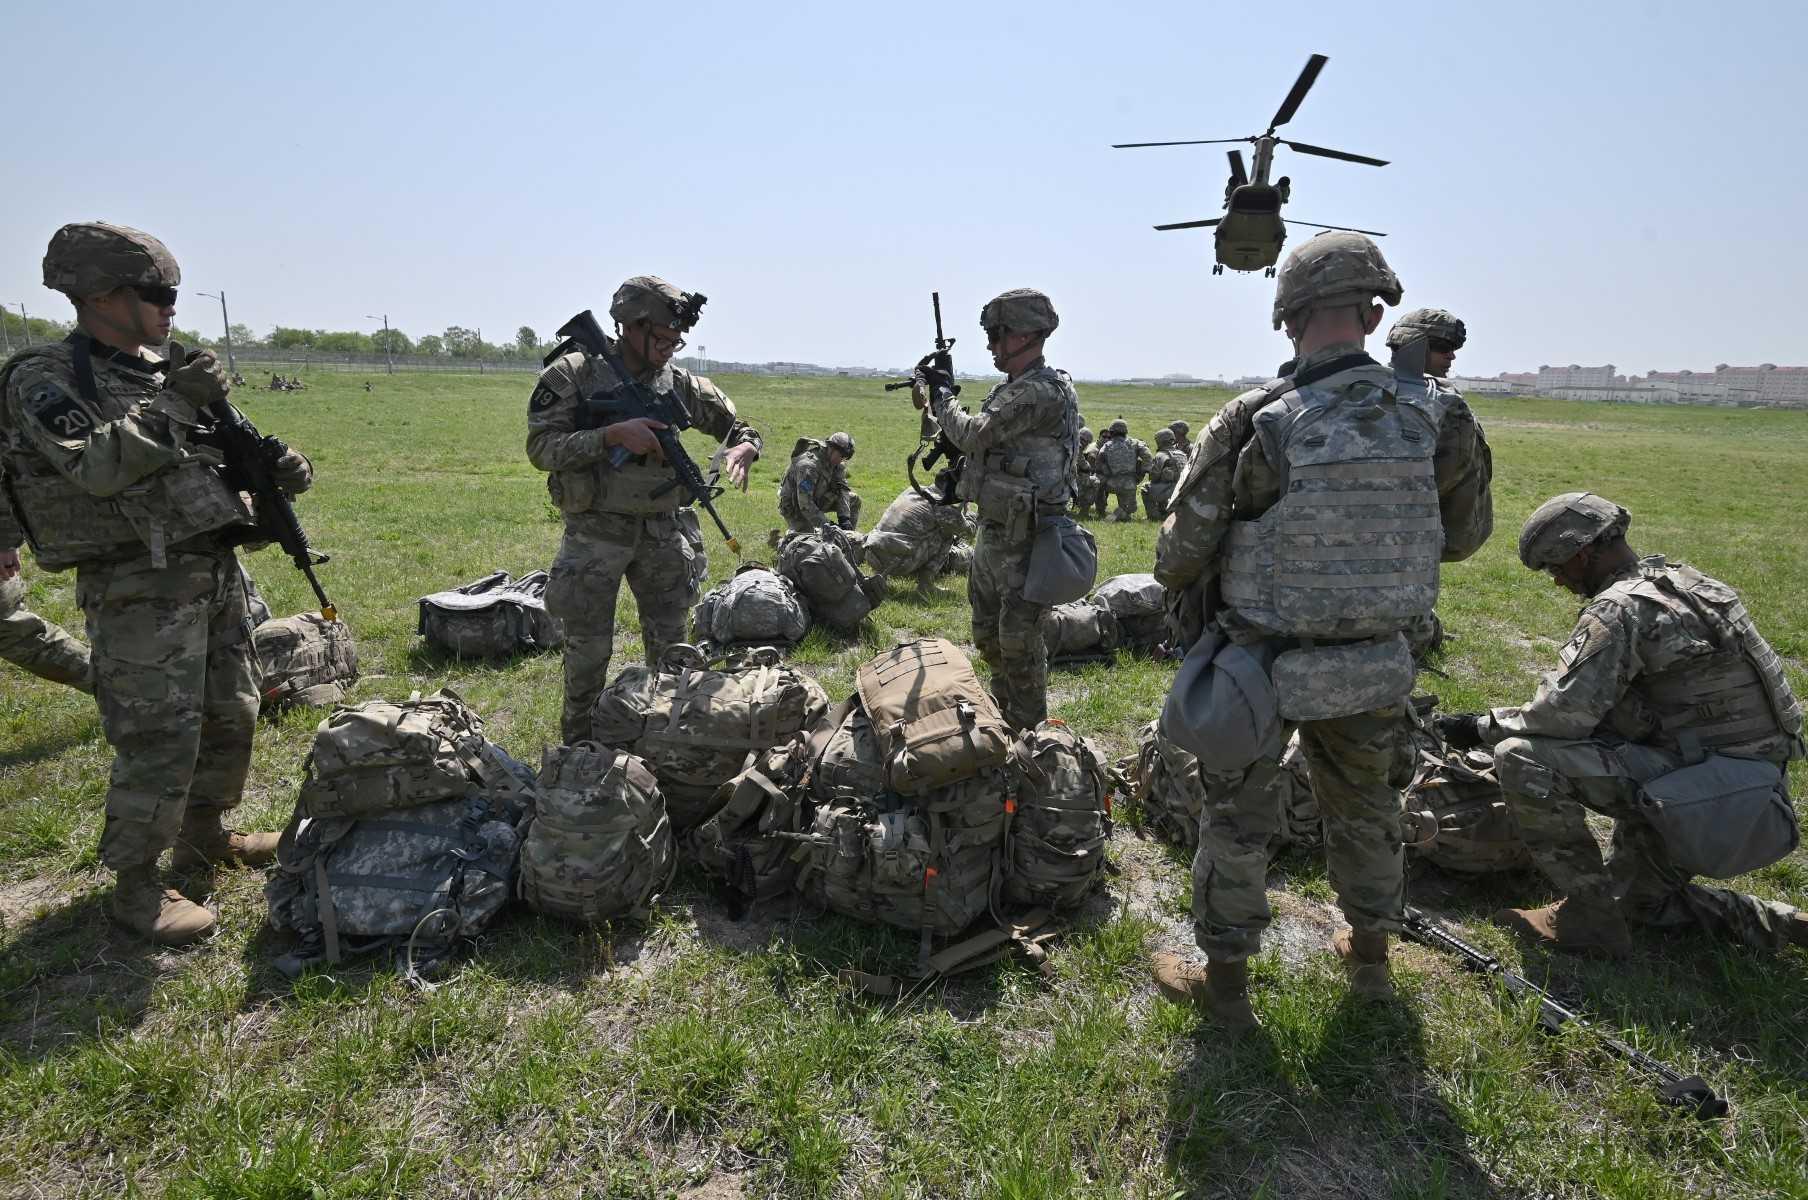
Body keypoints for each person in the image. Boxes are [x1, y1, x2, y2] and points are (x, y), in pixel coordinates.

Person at [1149, 232, 1493, 1029]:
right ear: (1376, 313)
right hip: (1378, 660)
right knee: (1368, 809)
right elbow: (1466, 535)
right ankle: (1370, 960)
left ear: (1287, 318)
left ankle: (1227, 987)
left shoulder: (1258, 418)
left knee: (1236, 819)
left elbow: (1177, 556)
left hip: (1260, 663)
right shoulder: (1438, 415)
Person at [1, 221, 313, 944]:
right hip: (135, 580)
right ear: (102, 295)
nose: (171, 304)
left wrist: (274, 470)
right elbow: (100, 466)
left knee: (230, 709)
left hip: (209, 566)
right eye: (156, 292)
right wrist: (177, 401)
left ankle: (206, 833)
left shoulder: (155, 371)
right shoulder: (44, 378)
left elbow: (214, 453)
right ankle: (136, 884)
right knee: (156, 731)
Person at [1437, 493, 1808, 955]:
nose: (1558, 582)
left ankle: (1589, 919)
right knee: (1639, 905)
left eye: (1557, 568)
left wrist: (1476, 726)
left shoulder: (1619, 610)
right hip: (1753, 790)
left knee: (1522, 758)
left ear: (1583, 554)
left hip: (1695, 794)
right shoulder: (1697, 586)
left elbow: (1560, 716)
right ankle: (1781, 922)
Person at [527, 275, 762, 745]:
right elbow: (541, 447)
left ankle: (669, 747)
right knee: (587, 655)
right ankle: (579, 754)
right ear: (630, 326)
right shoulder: (574, 373)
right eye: (661, 336)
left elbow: (740, 427)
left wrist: (745, 449)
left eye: (677, 339)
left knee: (673, 651)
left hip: (663, 532)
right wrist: (611, 436)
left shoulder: (682, 384)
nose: (671, 346)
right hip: (595, 533)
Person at [913, 288, 1079, 730]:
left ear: (1027, 335)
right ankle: (1007, 717)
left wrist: (944, 393)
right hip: (994, 530)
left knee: (1019, 641)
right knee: (987, 633)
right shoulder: (1011, 389)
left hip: (1028, 538)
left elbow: (975, 432)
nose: (990, 344)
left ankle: (1031, 736)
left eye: (997, 335)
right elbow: (977, 446)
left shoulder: (1042, 392)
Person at [1386, 308, 1488, 660]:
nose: (1452, 355)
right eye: (1443, 346)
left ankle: (1423, 629)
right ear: (1414, 346)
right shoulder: (1437, 402)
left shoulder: (1432, 396)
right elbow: (1450, 471)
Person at [860, 486, 972, 591]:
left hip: (872, 554)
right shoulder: (942, 504)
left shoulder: (912, 490)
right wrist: (969, 513)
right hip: (898, 562)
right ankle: (926, 583)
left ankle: (881, 574)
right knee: (948, 533)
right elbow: (969, 532)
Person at [778, 431, 860, 533]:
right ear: (831, 449)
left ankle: (849, 538)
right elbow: (805, 504)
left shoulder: (836, 464)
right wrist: (827, 525)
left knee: (854, 499)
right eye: (841, 456)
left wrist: (845, 519)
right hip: (796, 507)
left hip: (817, 498)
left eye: (844, 457)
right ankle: (782, 540)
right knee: (808, 543)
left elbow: (842, 489)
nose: (841, 460)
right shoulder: (808, 466)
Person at [1386, 307, 1465, 380]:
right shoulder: (1377, 385)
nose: (1452, 356)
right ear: (1410, 344)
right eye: (1443, 347)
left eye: (1453, 349)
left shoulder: (1441, 391)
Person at [1097, 419, 1151, 522]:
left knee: (1096, 481)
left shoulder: (1106, 446)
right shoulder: (1135, 443)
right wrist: (1142, 473)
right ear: (1126, 431)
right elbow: (1147, 455)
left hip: (1110, 483)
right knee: (1130, 510)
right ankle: (1120, 512)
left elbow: (1098, 464)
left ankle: (1101, 510)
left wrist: (1107, 473)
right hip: (1130, 483)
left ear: (1111, 432)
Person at [1141, 427, 1186, 520]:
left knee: (1145, 488)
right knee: (1162, 483)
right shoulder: (1182, 453)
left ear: (1160, 441)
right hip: (1184, 488)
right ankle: (1165, 511)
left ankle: (1154, 516)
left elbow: (1154, 477)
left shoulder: (1161, 455)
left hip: (1172, 489)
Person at [1075, 426, 1106, 518]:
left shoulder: (1068, 442)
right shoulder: (1078, 446)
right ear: (1082, 439)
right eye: (1087, 442)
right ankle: (1084, 511)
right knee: (1095, 481)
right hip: (1070, 481)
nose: (1087, 445)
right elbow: (1084, 465)